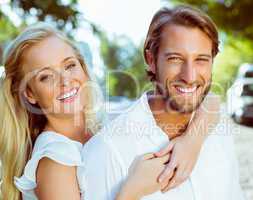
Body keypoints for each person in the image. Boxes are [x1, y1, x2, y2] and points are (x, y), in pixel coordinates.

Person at [83, 5, 245, 200]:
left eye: (201, 59)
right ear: (151, 60)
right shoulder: (107, 149)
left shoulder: (219, 129)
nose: (190, 76)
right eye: (175, 59)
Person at [0, 23, 172, 200]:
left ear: (82, 67)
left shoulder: (98, 129)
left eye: (69, 66)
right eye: (46, 77)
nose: (65, 81)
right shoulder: (55, 160)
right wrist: (133, 189)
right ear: (30, 93)